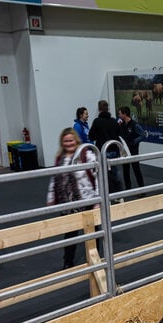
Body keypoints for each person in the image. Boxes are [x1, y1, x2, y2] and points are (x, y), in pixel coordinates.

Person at [45, 128, 99, 269]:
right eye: (65, 141)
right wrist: (51, 197)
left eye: (70, 140)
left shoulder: (86, 155)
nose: (68, 143)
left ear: (76, 140)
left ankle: (96, 257)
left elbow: (99, 177)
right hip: (67, 203)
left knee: (93, 232)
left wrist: (98, 200)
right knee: (70, 234)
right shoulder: (60, 158)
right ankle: (68, 261)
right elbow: (54, 179)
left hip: (87, 200)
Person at [90, 100, 124, 195]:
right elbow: (119, 134)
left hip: (101, 151)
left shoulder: (97, 122)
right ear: (108, 109)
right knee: (114, 172)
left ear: (99, 109)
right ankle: (118, 194)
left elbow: (91, 136)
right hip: (113, 150)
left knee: (102, 174)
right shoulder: (114, 121)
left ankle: (105, 195)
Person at [117, 106, 146, 189]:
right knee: (125, 171)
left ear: (124, 114)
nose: (119, 115)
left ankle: (142, 190)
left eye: (120, 113)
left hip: (133, 151)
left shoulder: (135, 125)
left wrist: (134, 142)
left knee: (136, 170)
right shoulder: (121, 124)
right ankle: (128, 189)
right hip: (124, 151)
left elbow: (143, 135)